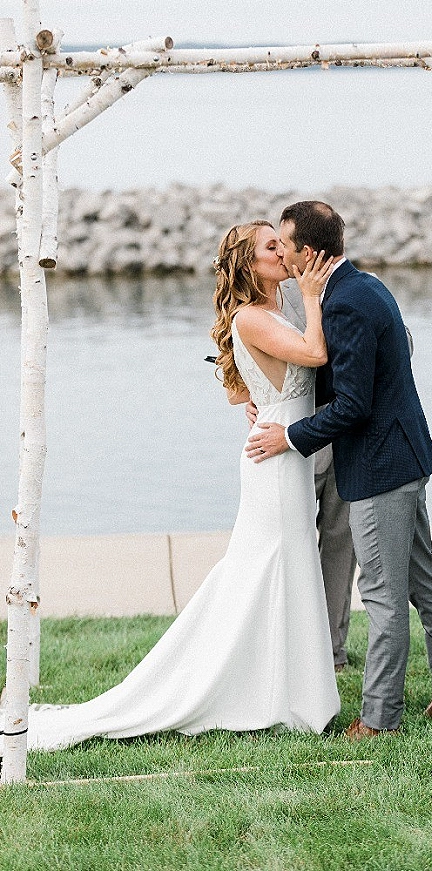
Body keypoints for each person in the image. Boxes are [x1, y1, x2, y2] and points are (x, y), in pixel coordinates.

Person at [9, 220, 340, 752]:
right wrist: (312, 294)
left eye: (281, 243)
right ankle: (266, 693)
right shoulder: (252, 316)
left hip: (284, 448)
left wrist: (262, 401)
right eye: (270, 247)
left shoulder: (271, 312)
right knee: (268, 566)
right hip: (275, 462)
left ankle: (287, 691)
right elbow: (315, 356)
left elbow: (240, 390)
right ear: (249, 265)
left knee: (282, 565)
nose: (283, 252)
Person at [246, 201, 432, 740]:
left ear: (308, 253)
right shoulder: (362, 285)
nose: (282, 254)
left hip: (380, 468)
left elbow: (353, 406)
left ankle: (379, 719)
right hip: (403, 458)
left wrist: (289, 436)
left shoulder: (345, 303)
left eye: (286, 245)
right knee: (425, 581)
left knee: (383, 596)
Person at [246, 278, 357, 673]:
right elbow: (236, 358)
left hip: (344, 432)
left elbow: (399, 343)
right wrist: (254, 399)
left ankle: (330, 653)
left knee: (340, 542)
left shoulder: (357, 287)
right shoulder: (264, 297)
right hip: (282, 438)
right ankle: (273, 646)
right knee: (280, 541)